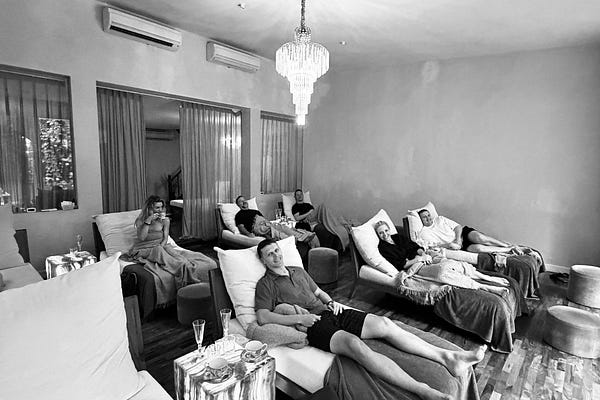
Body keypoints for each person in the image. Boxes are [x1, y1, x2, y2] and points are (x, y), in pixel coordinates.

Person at [254, 238, 486, 400]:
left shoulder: (297, 270)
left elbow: (318, 292)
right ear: (263, 260)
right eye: (269, 254)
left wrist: (331, 301)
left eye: (277, 250)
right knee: (354, 345)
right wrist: (301, 319)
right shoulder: (266, 284)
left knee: (386, 324)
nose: (276, 256)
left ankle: (448, 358)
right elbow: (263, 317)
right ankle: (423, 390)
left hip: (331, 311)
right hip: (313, 323)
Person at [376, 221, 510, 296]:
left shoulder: (397, 237)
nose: (385, 234)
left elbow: (414, 246)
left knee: (453, 264)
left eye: (386, 231)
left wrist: (422, 254)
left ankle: (488, 278)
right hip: (414, 266)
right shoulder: (383, 248)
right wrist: (418, 260)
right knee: (442, 273)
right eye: (381, 233)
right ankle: (484, 287)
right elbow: (402, 265)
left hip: (424, 257)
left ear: (389, 229)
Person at [128, 195, 216, 306]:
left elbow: (165, 238)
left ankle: (186, 270)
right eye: (157, 208)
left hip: (161, 246)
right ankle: (189, 278)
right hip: (144, 248)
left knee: (183, 258)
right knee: (160, 252)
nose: (159, 210)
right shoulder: (141, 220)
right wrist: (148, 220)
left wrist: (162, 247)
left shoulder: (165, 221)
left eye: (161, 207)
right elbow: (142, 237)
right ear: (149, 208)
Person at [418, 209, 521, 254]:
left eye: (428, 215)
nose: (428, 218)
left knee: (479, 238)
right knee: (479, 248)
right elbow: (433, 246)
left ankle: (506, 245)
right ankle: (508, 250)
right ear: (420, 220)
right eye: (424, 217)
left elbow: (458, 227)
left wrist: (458, 239)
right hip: (457, 246)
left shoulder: (440, 219)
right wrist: (450, 245)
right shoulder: (424, 233)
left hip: (461, 234)